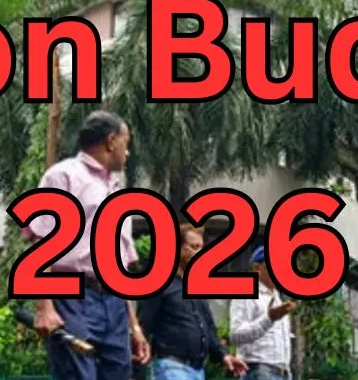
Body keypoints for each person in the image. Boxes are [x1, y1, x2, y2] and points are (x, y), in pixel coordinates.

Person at [25, 111, 151, 380]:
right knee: (78, 374)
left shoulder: (117, 192)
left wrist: (134, 326)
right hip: (73, 297)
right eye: (126, 143)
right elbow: (40, 246)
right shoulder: (62, 176)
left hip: (115, 303)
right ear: (111, 141)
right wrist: (45, 308)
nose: (127, 152)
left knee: (119, 374)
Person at [138, 224, 249, 380]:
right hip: (172, 366)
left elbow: (208, 327)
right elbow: (144, 324)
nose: (199, 253)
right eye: (193, 247)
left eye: (200, 248)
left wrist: (224, 356)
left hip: (197, 370)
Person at [228, 246, 297, 380]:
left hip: (283, 372)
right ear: (257, 268)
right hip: (259, 370)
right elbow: (235, 335)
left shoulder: (277, 297)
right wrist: (269, 318)